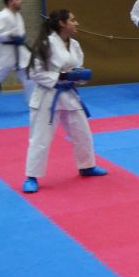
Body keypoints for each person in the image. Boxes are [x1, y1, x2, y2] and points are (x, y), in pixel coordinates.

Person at [21, 10, 107, 194]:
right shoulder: (45, 44)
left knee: (82, 133)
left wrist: (80, 76)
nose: (76, 23)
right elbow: (35, 73)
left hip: (69, 95)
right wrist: (62, 76)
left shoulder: (74, 44)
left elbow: (76, 69)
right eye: (72, 20)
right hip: (47, 96)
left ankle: (86, 166)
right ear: (62, 23)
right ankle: (31, 176)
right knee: (40, 138)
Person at [0, 0, 34, 101]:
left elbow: (20, 33)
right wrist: (9, 35)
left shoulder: (18, 15)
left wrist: (20, 37)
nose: (21, 1)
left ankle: (33, 103)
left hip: (20, 51)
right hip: (6, 52)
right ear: (10, 2)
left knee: (29, 77)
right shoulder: (1, 16)